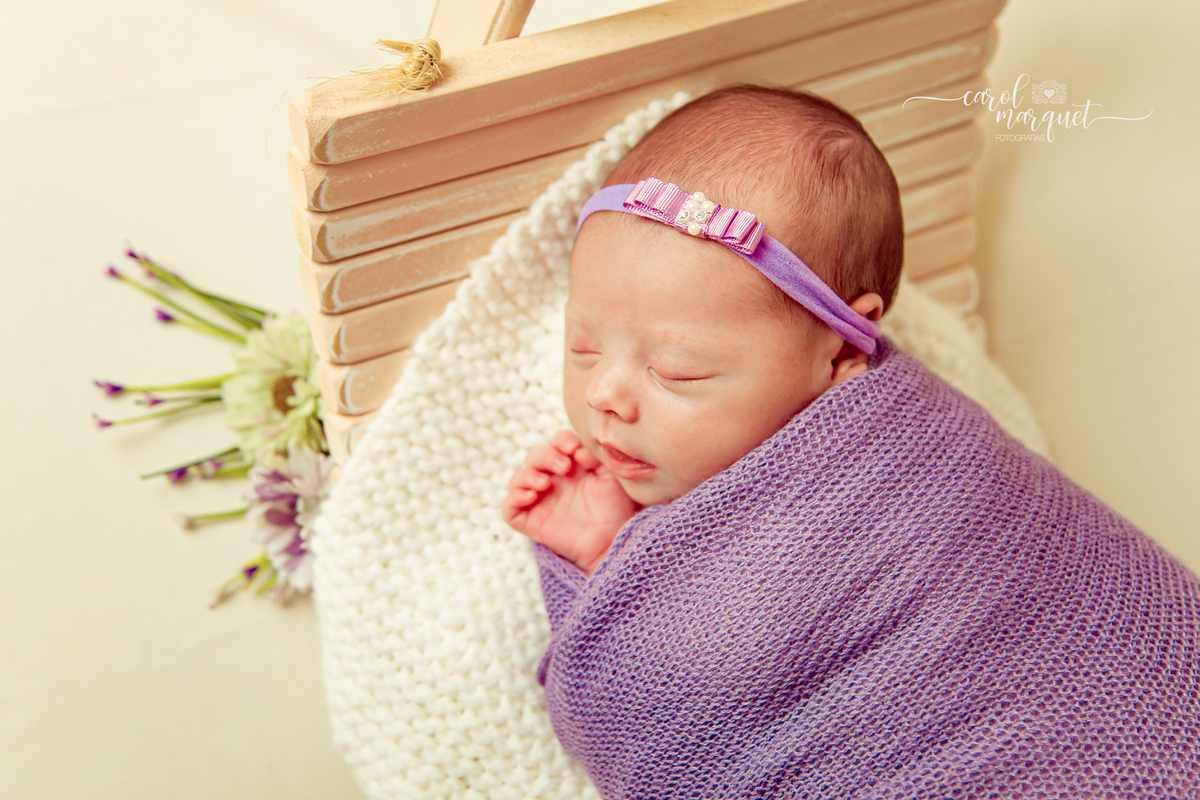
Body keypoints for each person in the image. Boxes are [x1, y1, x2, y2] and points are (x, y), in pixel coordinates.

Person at [501, 86, 1200, 798]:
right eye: (582, 347)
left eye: (678, 370)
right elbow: (662, 693)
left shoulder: (918, 456)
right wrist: (606, 557)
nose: (603, 396)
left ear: (837, 353)